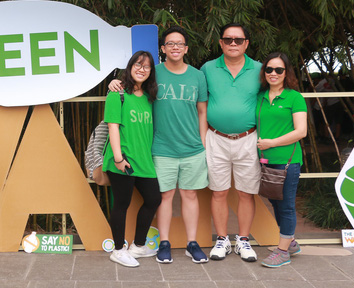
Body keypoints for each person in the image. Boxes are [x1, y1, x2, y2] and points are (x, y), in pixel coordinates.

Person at [111, 26, 209, 264]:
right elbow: (133, 84)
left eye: (180, 43)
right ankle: (164, 242)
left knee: (190, 195)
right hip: (161, 148)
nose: (175, 47)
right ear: (163, 49)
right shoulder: (154, 74)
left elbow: (202, 111)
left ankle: (191, 243)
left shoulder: (198, 76)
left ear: (186, 48)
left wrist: (203, 145)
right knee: (164, 197)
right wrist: (114, 82)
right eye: (170, 43)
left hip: (192, 148)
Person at [200, 23, 262, 262]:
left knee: (247, 193)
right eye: (228, 40)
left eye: (238, 40)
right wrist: (203, 138)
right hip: (216, 138)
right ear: (221, 43)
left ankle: (243, 240)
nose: (233, 44)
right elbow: (200, 104)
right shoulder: (207, 68)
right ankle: (222, 240)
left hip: (249, 138)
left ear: (246, 43)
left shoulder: (259, 69)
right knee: (219, 192)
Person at [103, 50, 162, 267]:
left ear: (151, 72)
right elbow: (113, 126)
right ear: (130, 67)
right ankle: (118, 250)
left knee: (154, 199)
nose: (141, 69)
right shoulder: (117, 94)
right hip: (123, 159)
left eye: (146, 66)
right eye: (137, 64)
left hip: (143, 159)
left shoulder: (149, 97)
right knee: (122, 204)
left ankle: (137, 246)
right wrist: (118, 158)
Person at [256, 52, 307, 268]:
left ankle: (283, 251)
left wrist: (272, 143)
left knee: (286, 206)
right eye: (269, 69)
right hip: (266, 162)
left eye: (279, 70)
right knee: (275, 203)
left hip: (287, 161)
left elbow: (301, 131)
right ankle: (290, 242)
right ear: (264, 72)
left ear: (286, 73)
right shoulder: (260, 96)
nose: (273, 73)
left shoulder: (294, 97)